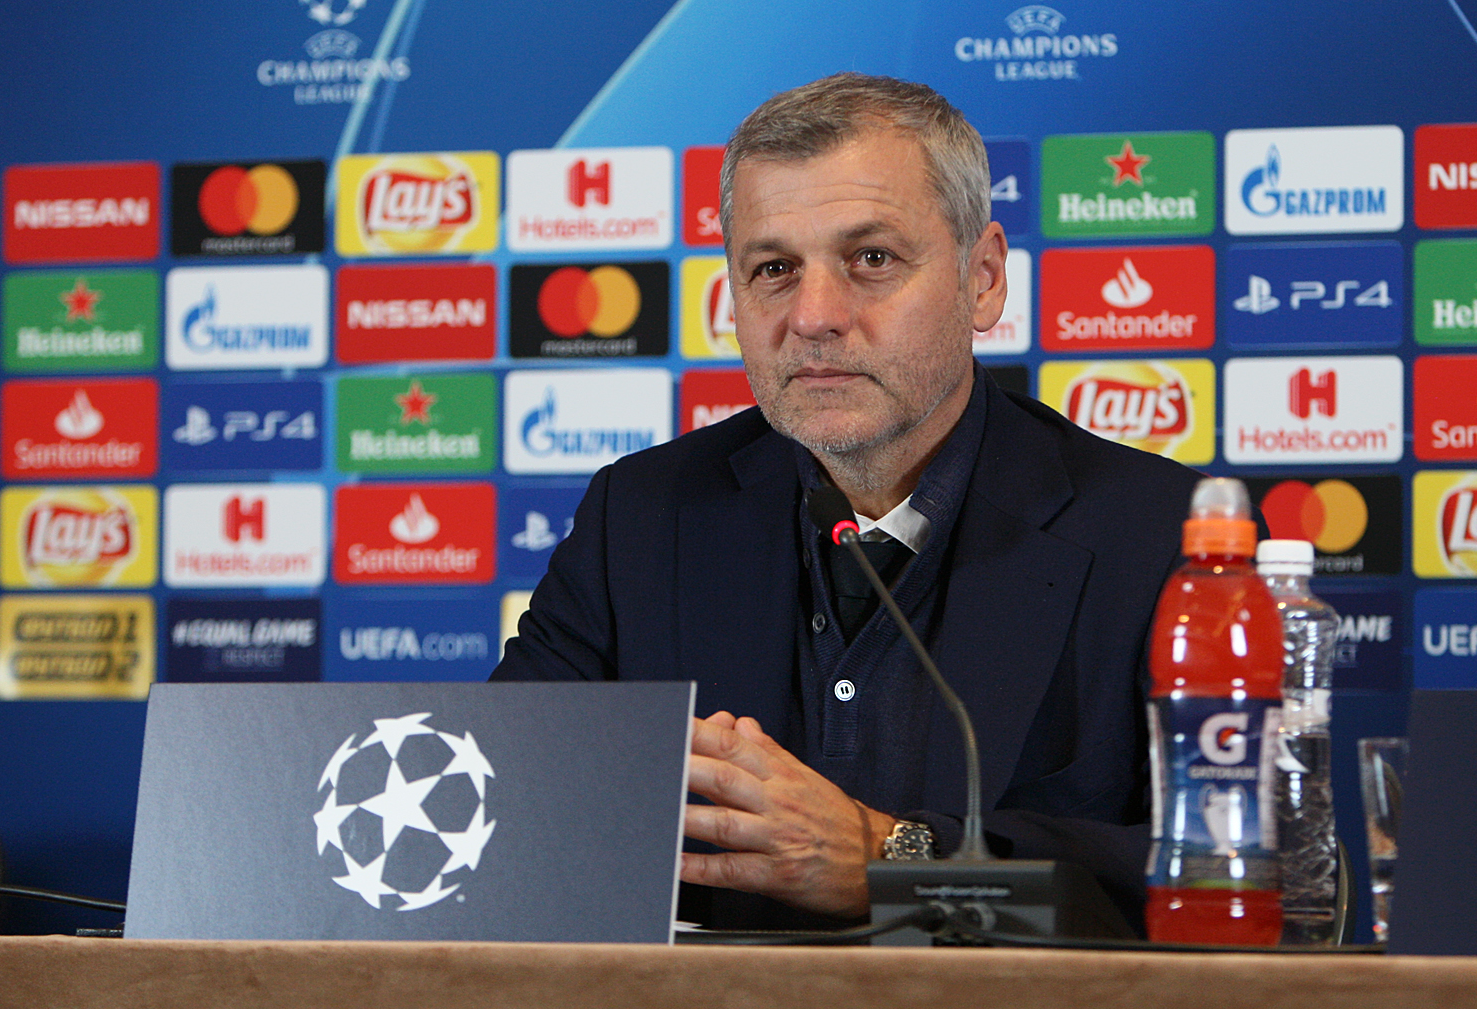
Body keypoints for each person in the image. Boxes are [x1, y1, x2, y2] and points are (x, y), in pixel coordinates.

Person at [493, 73, 1203, 930]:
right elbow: (501, 814)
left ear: (982, 279)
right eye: (774, 269)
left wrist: (897, 861)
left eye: (872, 259)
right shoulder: (640, 518)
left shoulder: (1165, 538)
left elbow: (1236, 877)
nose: (815, 316)